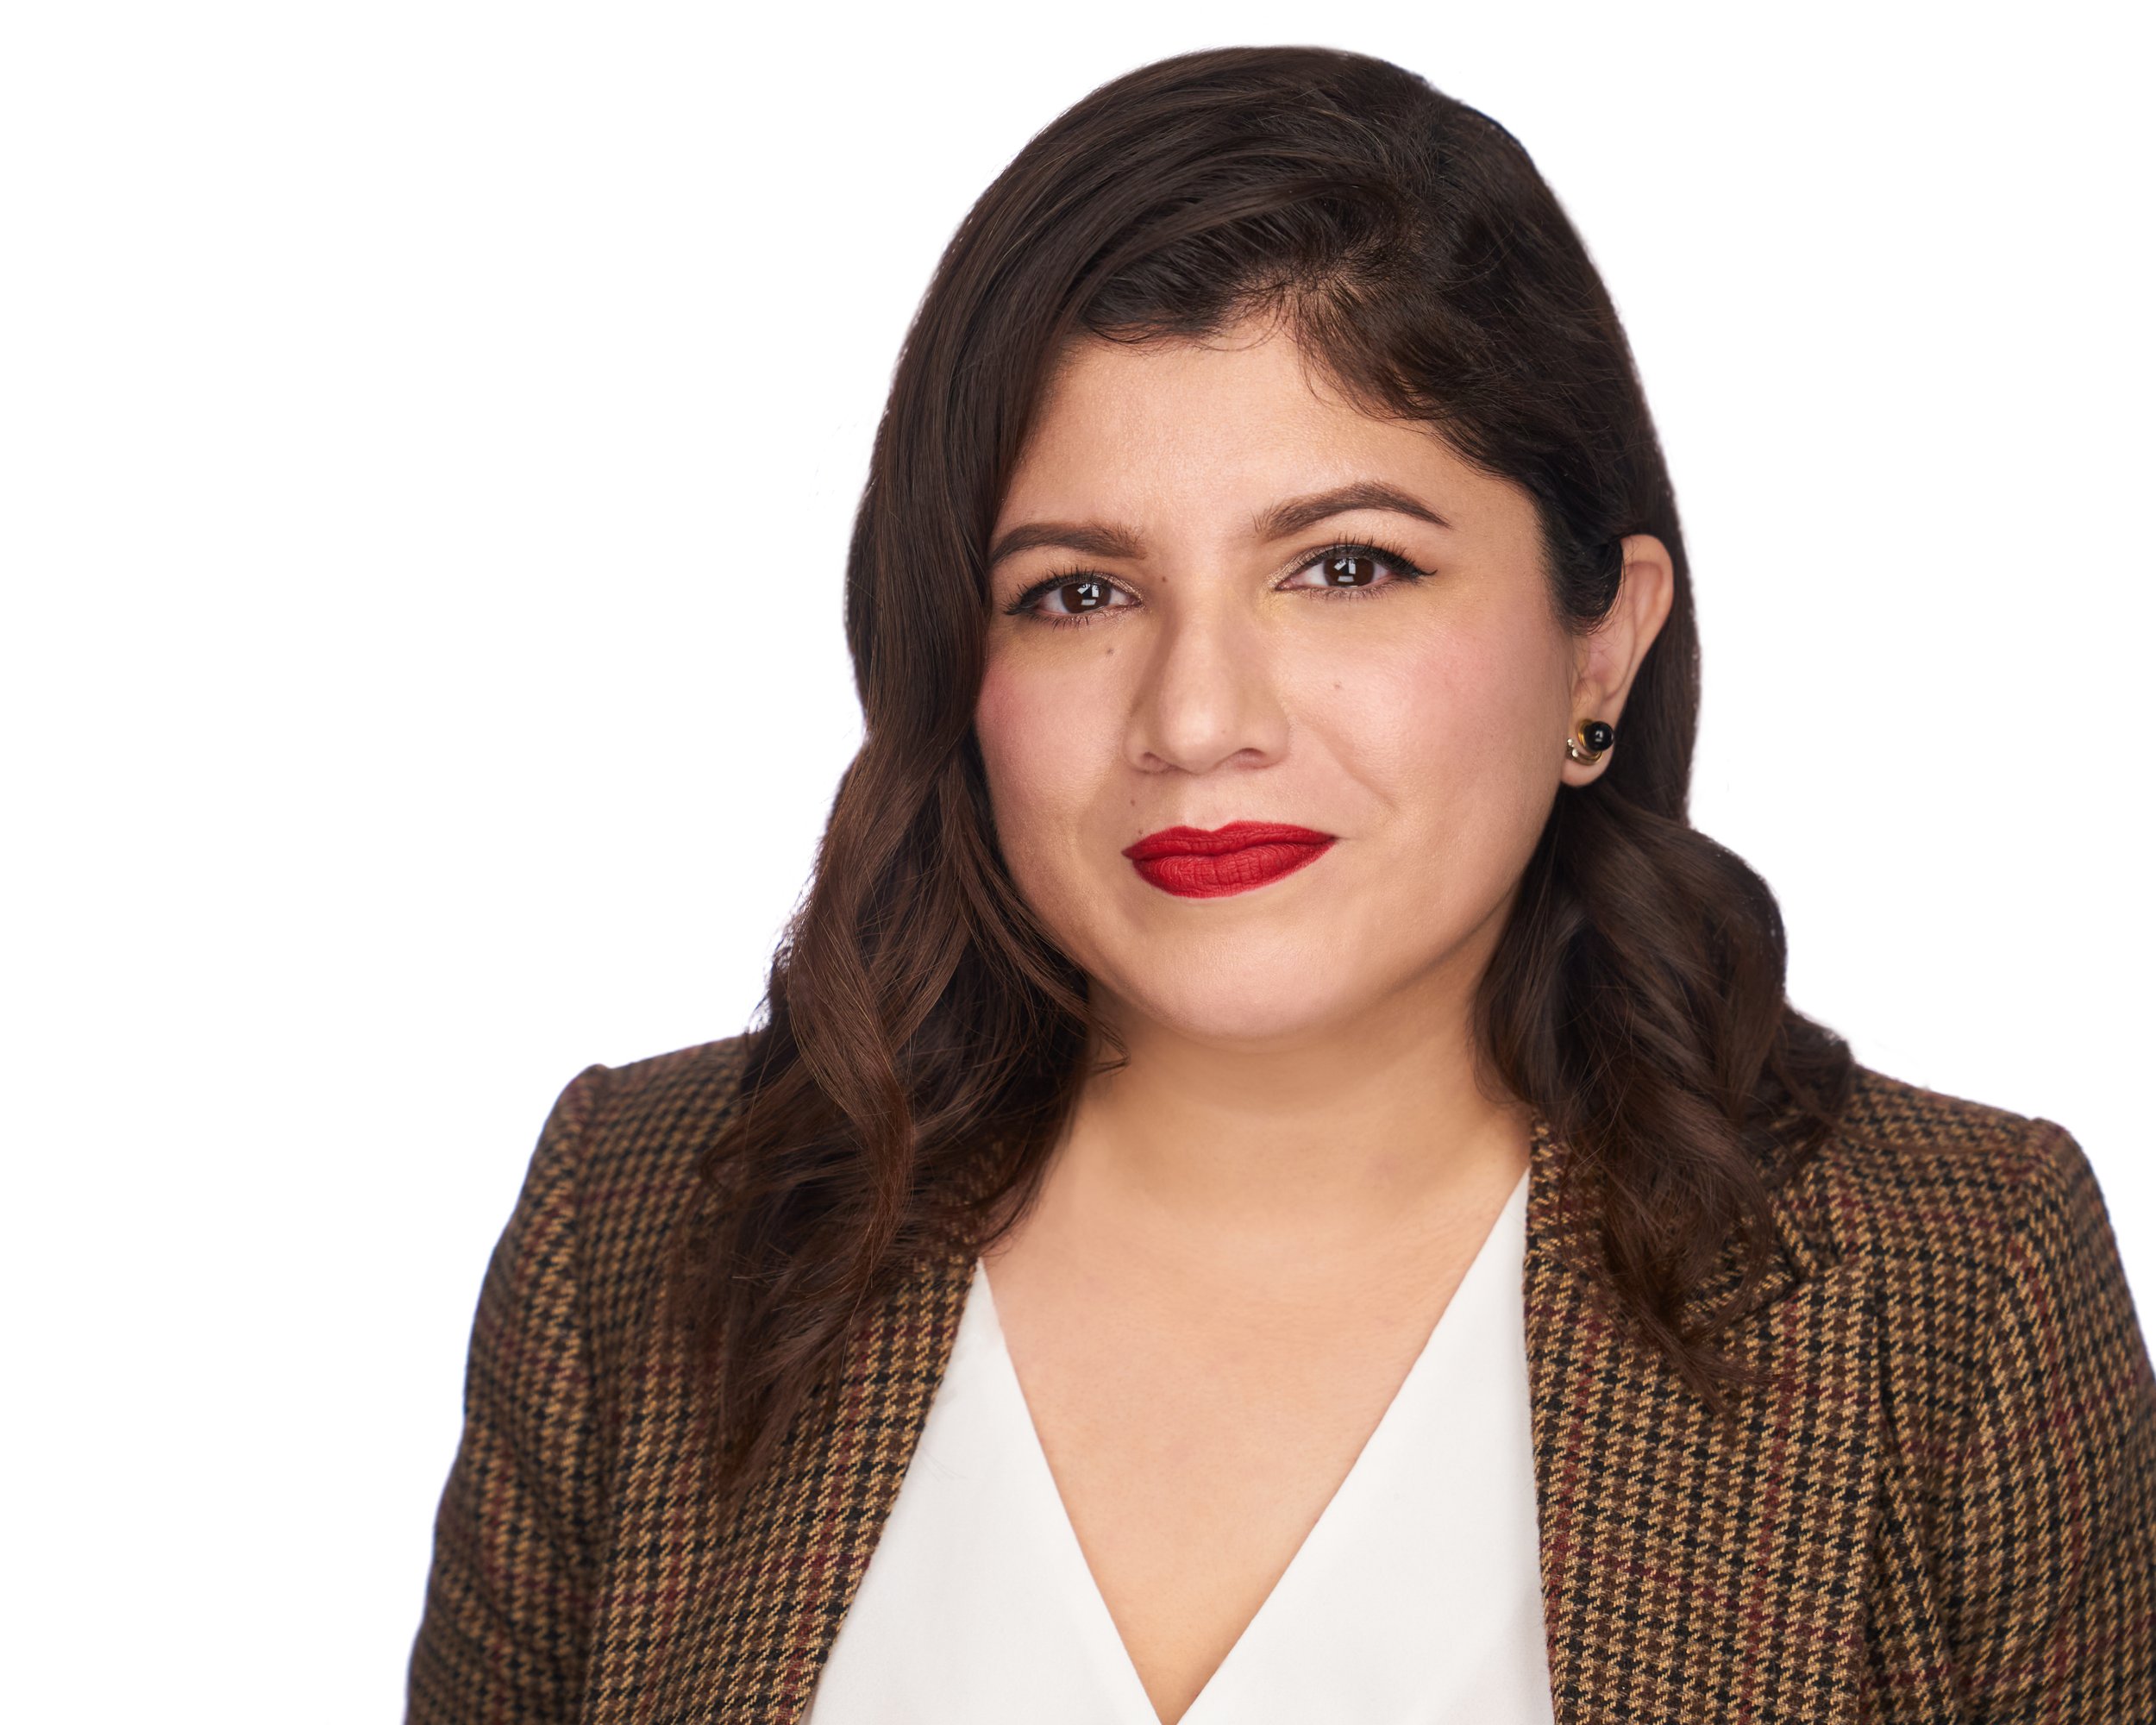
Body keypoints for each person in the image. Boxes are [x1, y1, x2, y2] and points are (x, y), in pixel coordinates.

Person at [404, 44, 2156, 1725]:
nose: (1194, 720)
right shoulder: (639, 1227)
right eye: (1078, 592)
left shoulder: (1952, 1286)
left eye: (1344, 567)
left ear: (1599, 645)